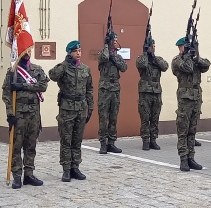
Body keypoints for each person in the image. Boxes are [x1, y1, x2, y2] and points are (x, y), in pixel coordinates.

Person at [2, 50, 49, 189]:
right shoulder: (13, 71)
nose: (27, 53)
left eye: (29, 50)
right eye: (24, 50)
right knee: (16, 146)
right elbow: (6, 93)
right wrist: (10, 114)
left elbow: (43, 86)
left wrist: (23, 86)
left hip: (34, 115)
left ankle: (29, 174)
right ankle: (17, 176)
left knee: (31, 145)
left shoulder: (37, 69)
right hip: (19, 115)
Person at [49, 40, 94, 182]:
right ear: (69, 53)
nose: (78, 53)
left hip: (81, 108)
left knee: (77, 140)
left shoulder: (85, 69)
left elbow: (89, 89)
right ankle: (66, 169)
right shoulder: (63, 68)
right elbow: (52, 75)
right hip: (67, 109)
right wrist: (65, 63)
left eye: (80, 51)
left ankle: (75, 167)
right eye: (75, 51)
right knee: (66, 140)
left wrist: (90, 106)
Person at [172, 37, 210, 171]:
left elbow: (206, 65)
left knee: (192, 130)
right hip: (185, 98)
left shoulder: (194, 59)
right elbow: (187, 68)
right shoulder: (177, 60)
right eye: (185, 47)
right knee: (183, 129)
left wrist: (196, 55)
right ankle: (183, 158)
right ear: (180, 47)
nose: (186, 49)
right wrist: (188, 56)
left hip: (196, 97)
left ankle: (191, 158)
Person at [136, 38, 169, 150]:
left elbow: (164, 67)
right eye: (151, 46)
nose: (153, 48)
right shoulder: (141, 59)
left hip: (156, 92)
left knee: (155, 117)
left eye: (154, 46)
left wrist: (153, 56)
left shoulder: (157, 59)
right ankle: (145, 140)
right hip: (145, 93)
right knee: (145, 117)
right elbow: (142, 65)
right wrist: (146, 53)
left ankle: (153, 140)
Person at [97, 33, 127, 154]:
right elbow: (104, 58)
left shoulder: (117, 56)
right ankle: (103, 143)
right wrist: (105, 46)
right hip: (105, 89)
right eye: (113, 40)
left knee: (113, 117)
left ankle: (111, 142)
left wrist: (114, 56)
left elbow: (124, 67)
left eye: (116, 40)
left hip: (115, 88)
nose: (115, 41)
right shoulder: (102, 53)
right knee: (104, 117)